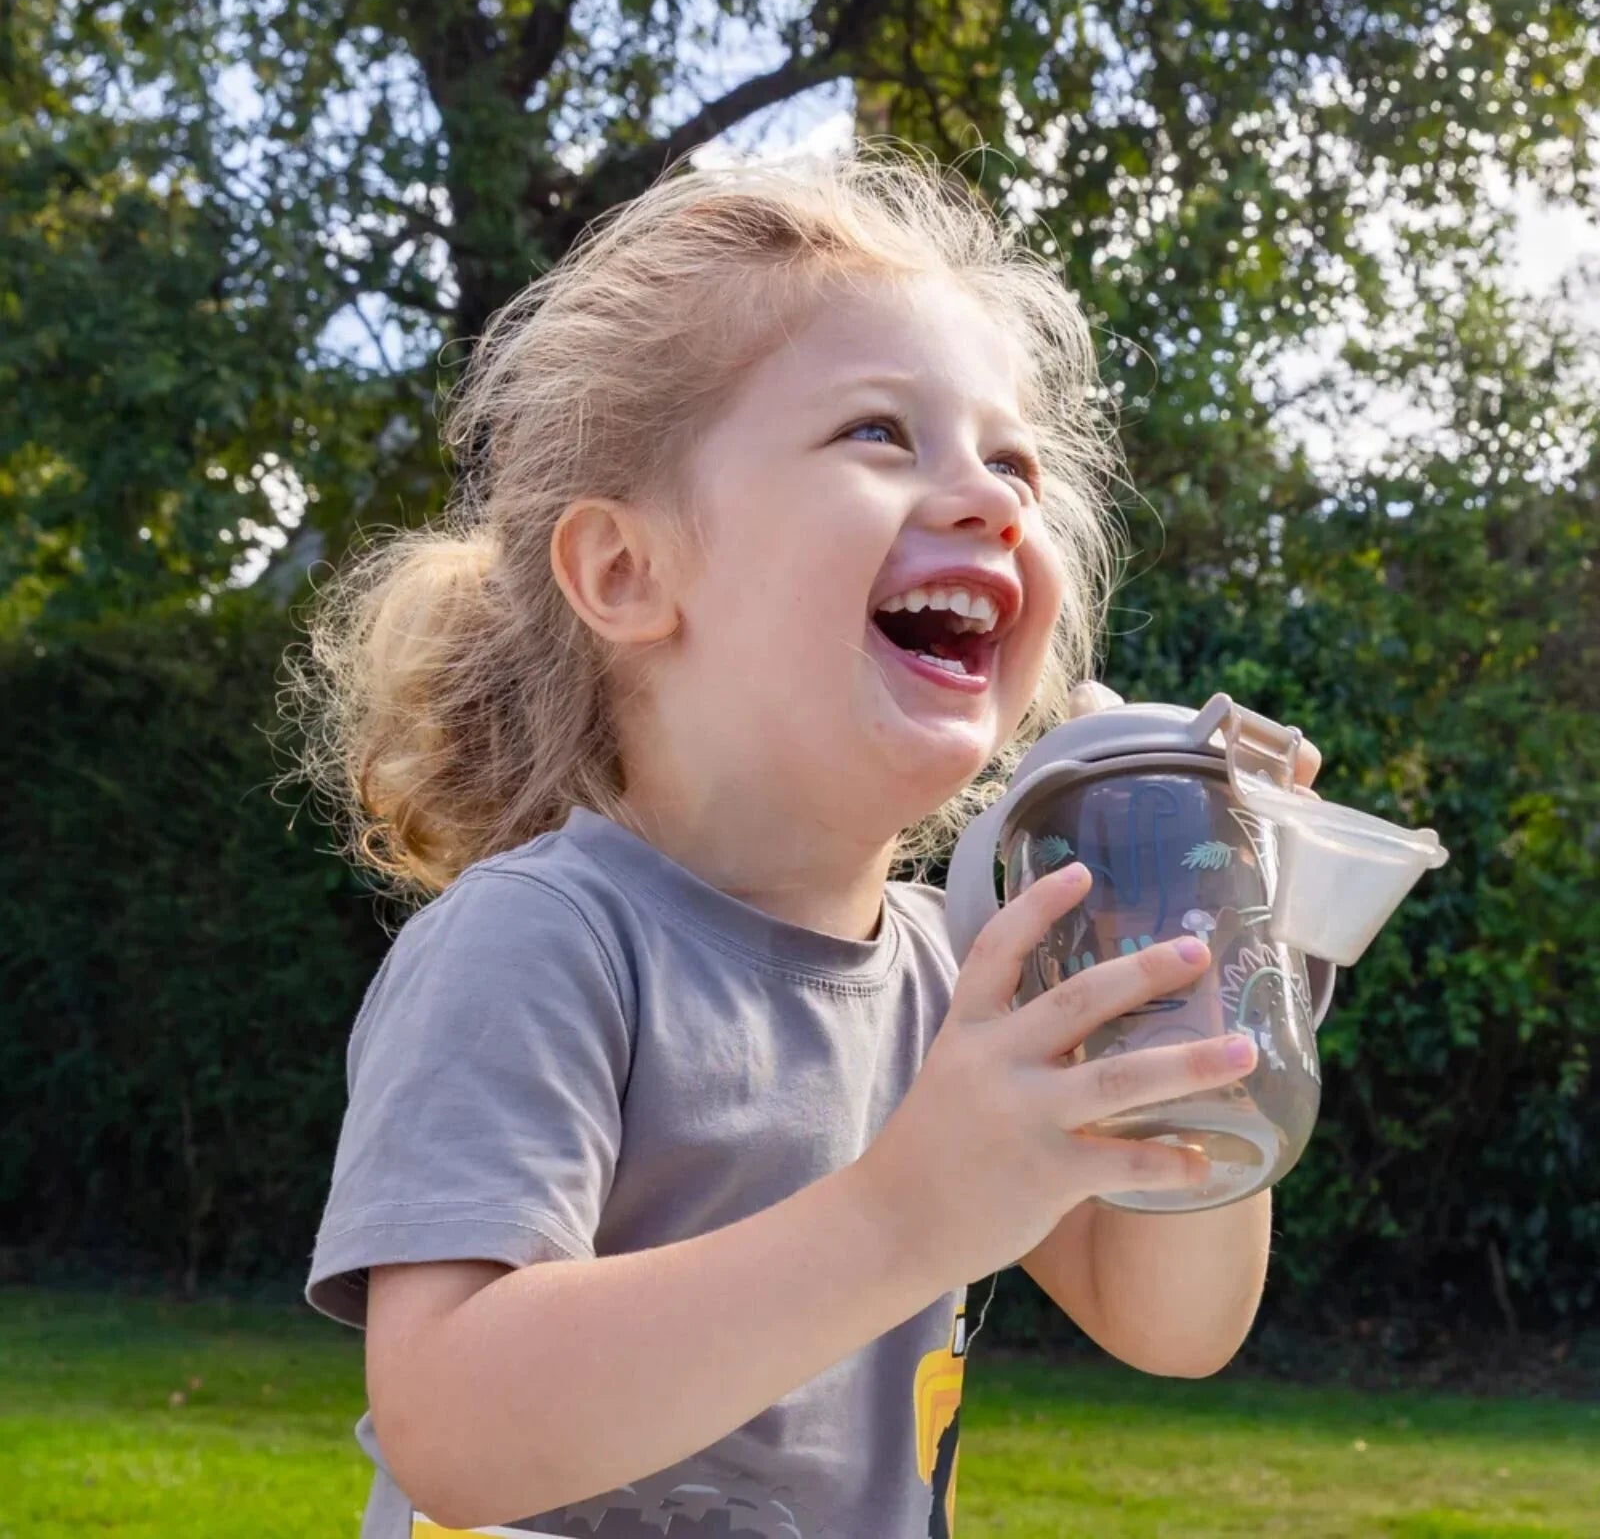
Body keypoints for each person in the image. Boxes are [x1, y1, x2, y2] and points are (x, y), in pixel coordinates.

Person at [287, 140, 1297, 1539]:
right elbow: (453, 1429)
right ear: (627, 570)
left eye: (1011, 457)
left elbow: (1171, 1319)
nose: (996, 496)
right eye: (880, 432)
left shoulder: (964, 974)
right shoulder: (542, 942)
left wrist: (1205, 970)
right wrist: (903, 1218)